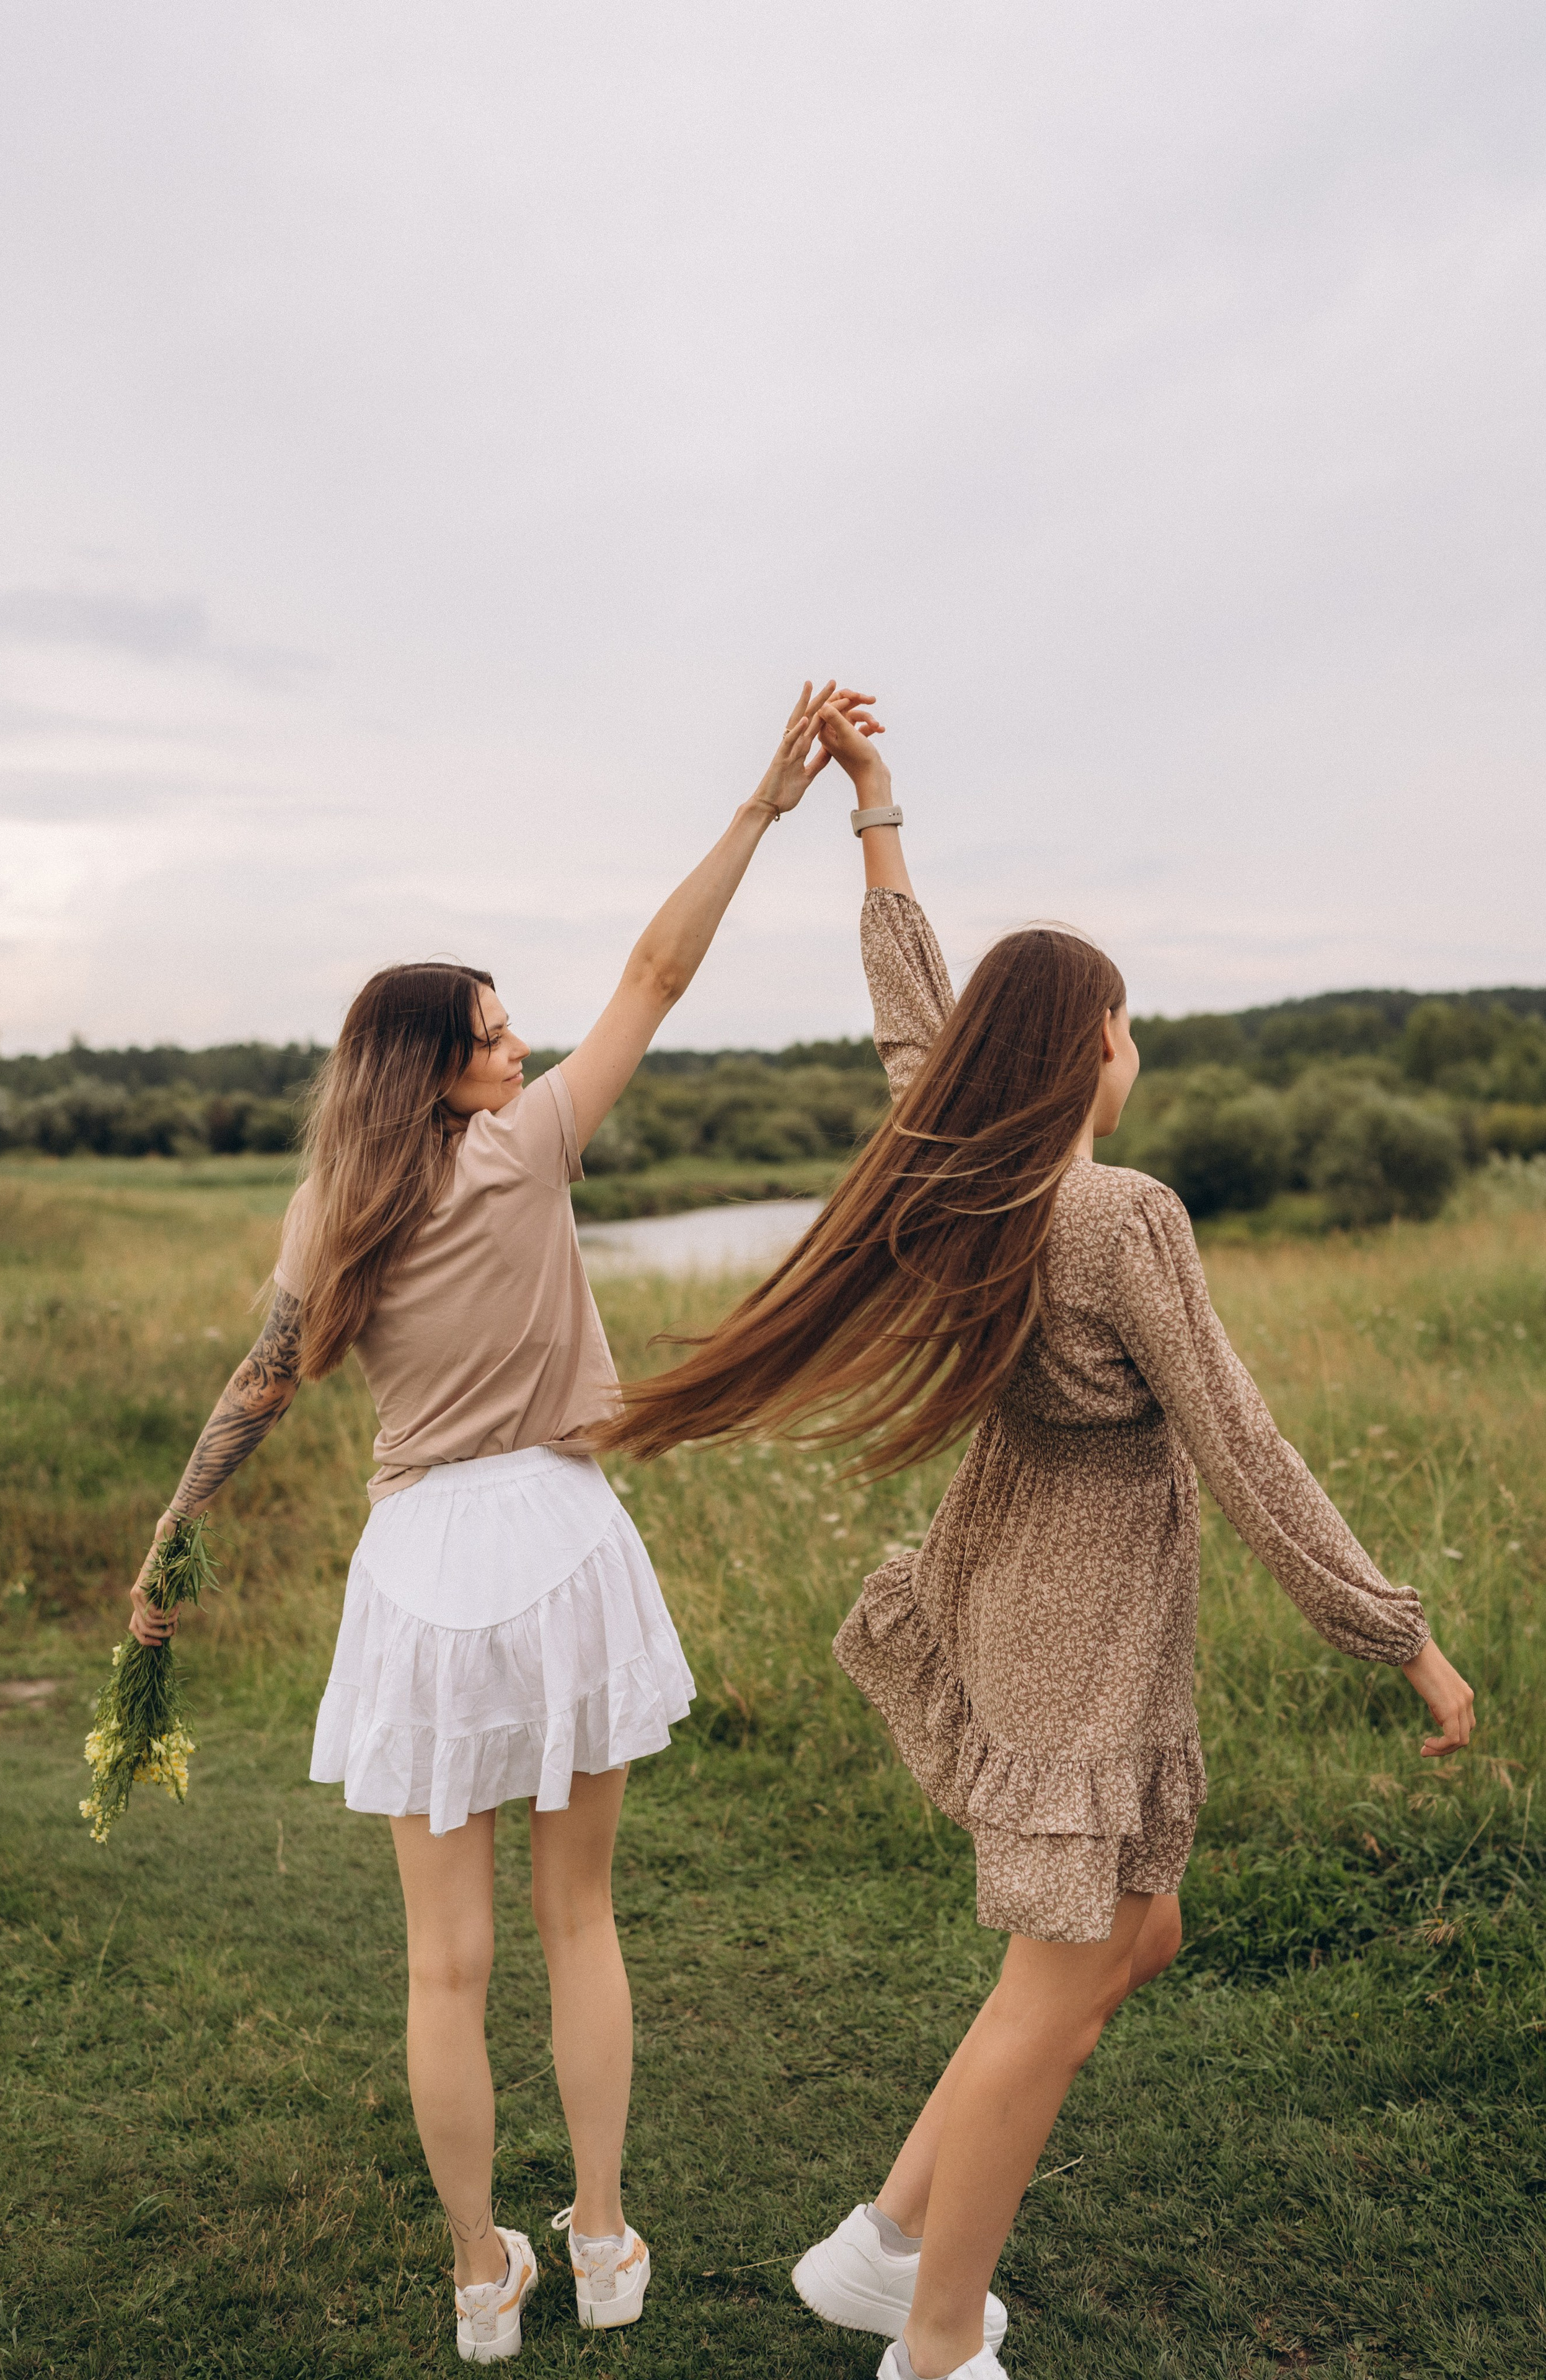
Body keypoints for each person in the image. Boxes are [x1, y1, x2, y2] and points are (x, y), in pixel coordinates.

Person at [594, 697, 1477, 2380]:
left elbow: (911, 1038)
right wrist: (1402, 1637)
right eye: (1129, 1027)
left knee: (1137, 1939)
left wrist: (880, 820)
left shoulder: (967, 1182)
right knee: (1049, 1994)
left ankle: (879, 2249)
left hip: (1030, 1602)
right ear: (1087, 1052)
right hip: (1073, 1637)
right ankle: (933, 2342)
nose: (1140, 1050)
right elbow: (1245, 1448)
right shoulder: (1117, 1215)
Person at [125, 682, 850, 2365]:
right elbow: (660, 977)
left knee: (442, 1969)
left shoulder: (333, 1202)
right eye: (500, 1035)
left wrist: (167, 1557)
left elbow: (259, 1388)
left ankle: (481, 2280)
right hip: (563, 1543)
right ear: (443, 1069)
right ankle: (599, 2240)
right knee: (577, 1918)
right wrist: (762, 808)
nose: (522, 1051)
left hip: (425, 1570)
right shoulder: (527, 1147)